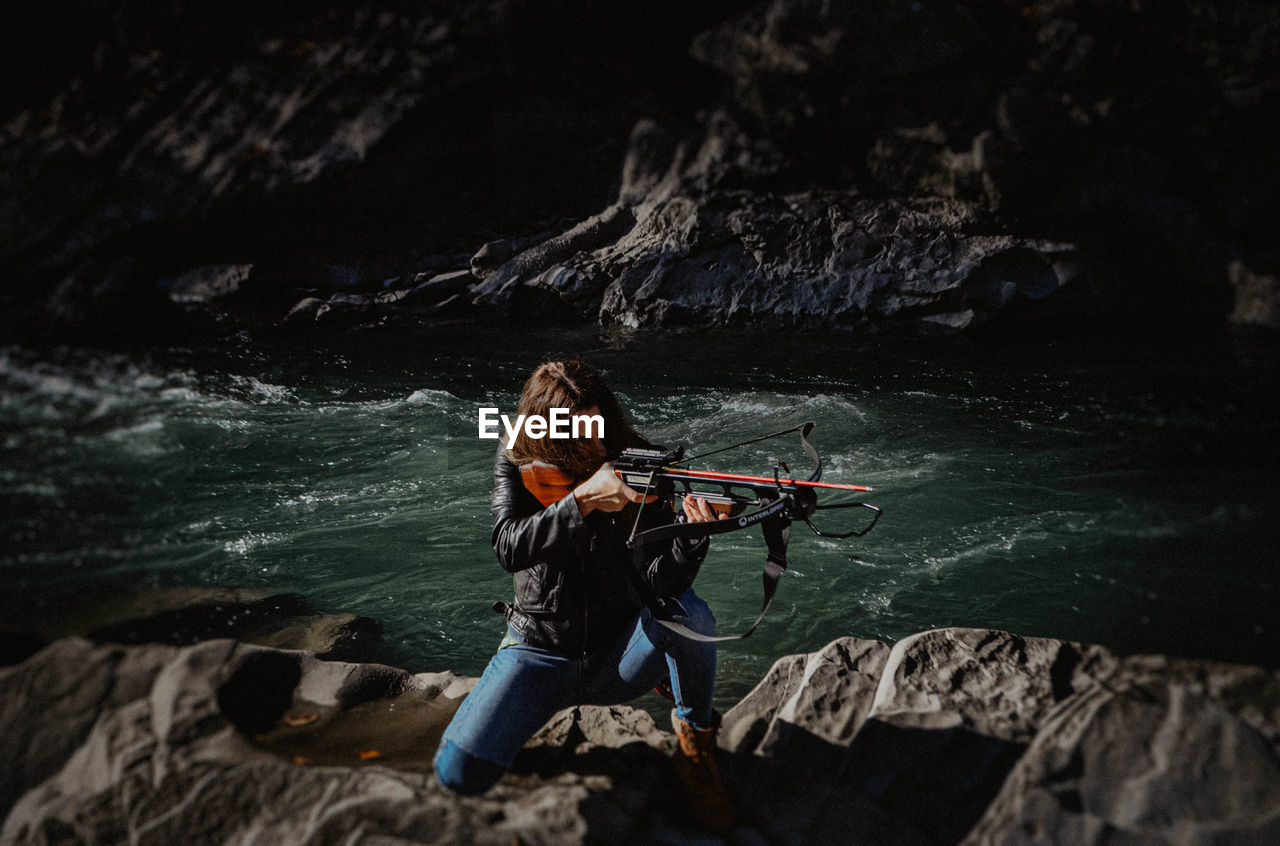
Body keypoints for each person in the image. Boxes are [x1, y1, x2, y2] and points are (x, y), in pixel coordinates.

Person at [434, 360, 734, 831]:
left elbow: (660, 581)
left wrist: (690, 539)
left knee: (689, 613)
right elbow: (508, 545)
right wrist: (583, 502)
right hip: (541, 651)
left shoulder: (644, 462)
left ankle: (696, 745)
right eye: (577, 432)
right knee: (458, 773)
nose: (595, 444)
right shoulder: (518, 456)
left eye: (599, 426)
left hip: (620, 655)